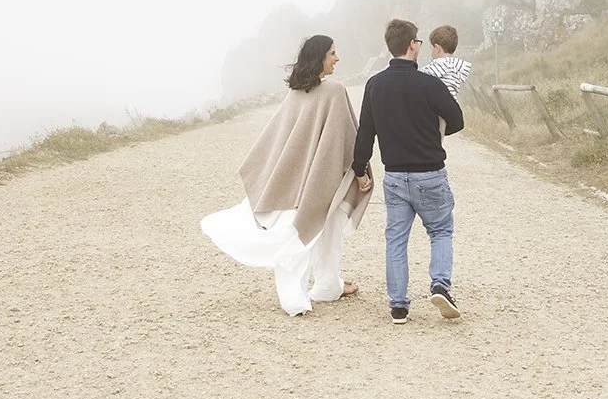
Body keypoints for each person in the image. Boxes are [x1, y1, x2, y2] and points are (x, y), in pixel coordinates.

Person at [202, 35, 373, 316]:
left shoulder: (295, 93)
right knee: (310, 232)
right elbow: (347, 139)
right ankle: (313, 291)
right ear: (319, 57)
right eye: (332, 53)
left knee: (309, 229)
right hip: (321, 177)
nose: (337, 58)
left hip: (300, 179)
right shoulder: (334, 91)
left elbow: (281, 140)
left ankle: (323, 287)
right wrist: (360, 172)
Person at [352, 19, 465, 325]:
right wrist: (431, 132)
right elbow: (457, 120)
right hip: (430, 173)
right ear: (413, 45)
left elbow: (366, 133)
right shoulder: (430, 84)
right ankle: (440, 285)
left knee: (396, 239)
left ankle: (399, 306)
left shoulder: (374, 85)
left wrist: (360, 169)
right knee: (440, 231)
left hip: (395, 176)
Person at [421, 24, 472, 100]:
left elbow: (421, 77)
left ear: (437, 48)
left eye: (431, 47)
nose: (430, 51)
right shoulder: (456, 67)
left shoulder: (436, 67)